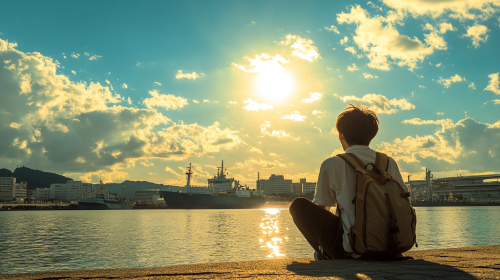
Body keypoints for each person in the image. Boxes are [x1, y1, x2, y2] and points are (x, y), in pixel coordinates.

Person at [289, 103, 407, 260]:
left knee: (298, 206)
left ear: (341, 135)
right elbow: (403, 199)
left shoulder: (332, 164)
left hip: (353, 250)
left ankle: (326, 254)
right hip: (392, 246)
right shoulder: (388, 162)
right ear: (372, 135)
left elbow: (323, 209)